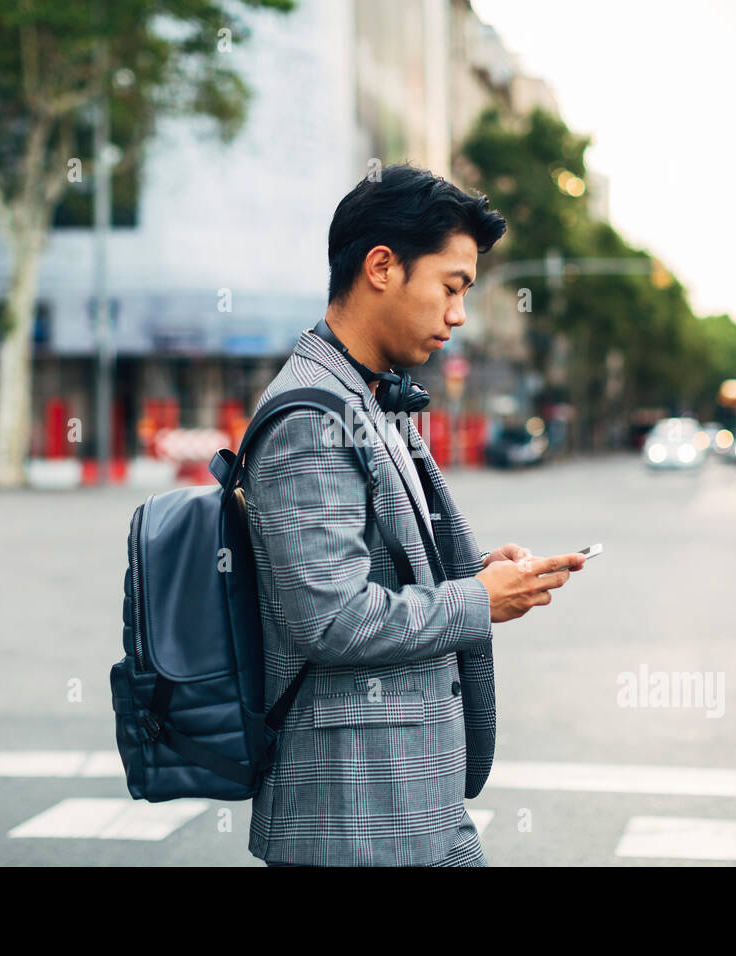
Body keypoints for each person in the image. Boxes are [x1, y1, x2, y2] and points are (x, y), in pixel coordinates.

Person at [241, 164, 587, 867]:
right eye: (452, 286)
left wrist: (479, 574)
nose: (458, 314)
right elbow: (330, 618)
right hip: (355, 818)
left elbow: (380, 566)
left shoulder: (361, 396)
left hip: (404, 801)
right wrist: (475, 602)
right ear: (381, 267)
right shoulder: (315, 414)